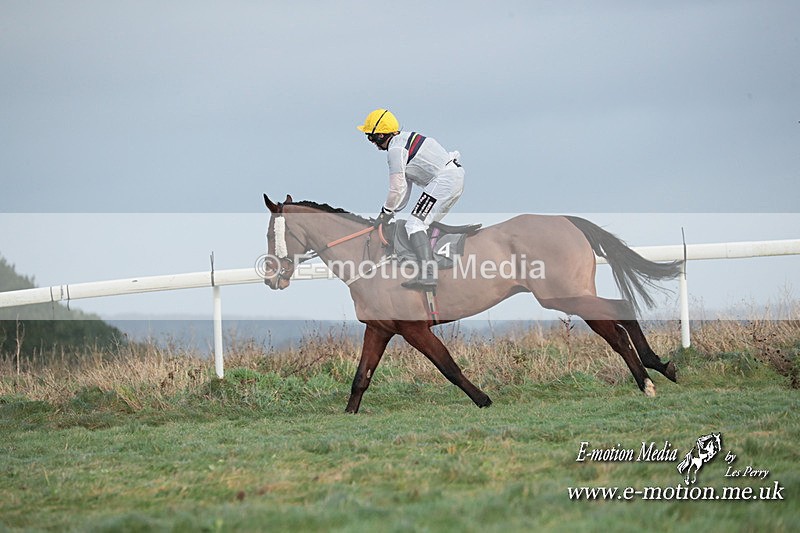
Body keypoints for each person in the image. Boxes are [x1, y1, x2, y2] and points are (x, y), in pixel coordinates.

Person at [357, 108, 465, 291]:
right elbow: (404, 191)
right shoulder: (403, 141)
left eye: (371, 137)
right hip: (451, 178)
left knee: (414, 225)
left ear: (381, 135)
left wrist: (385, 212)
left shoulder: (395, 150)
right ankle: (432, 262)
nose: (371, 142)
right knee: (422, 225)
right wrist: (391, 213)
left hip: (444, 181)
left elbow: (396, 188)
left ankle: (428, 274)